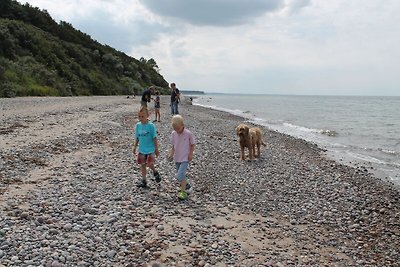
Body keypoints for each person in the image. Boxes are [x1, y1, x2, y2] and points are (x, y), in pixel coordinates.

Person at [168, 115, 196, 200]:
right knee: (181, 176)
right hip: (177, 158)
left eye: (178, 128)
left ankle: (183, 192)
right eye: (175, 129)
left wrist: (191, 154)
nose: (177, 130)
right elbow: (173, 146)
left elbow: (193, 144)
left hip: (185, 158)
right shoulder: (174, 134)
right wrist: (171, 154)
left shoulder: (188, 134)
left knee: (180, 176)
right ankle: (186, 186)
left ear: (182, 125)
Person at [133, 106, 161, 188]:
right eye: (139, 116)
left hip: (150, 149)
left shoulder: (151, 126)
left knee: (149, 163)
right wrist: (135, 146)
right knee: (143, 164)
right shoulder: (138, 125)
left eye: (143, 116)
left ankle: (155, 171)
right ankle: (144, 180)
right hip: (142, 149)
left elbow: (154, 138)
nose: (141, 118)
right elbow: (137, 137)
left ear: (147, 116)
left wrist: (156, 149)